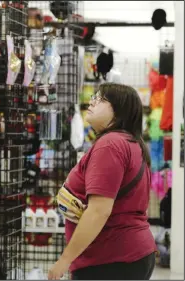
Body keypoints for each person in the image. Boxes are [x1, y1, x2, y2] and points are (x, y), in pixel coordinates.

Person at [48, 83, 157, 280]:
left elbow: (99, 211)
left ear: (118, 111)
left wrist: (64, 260)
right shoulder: (130, 143)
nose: (92, 101)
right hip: (127, 255)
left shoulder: (110, 145)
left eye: (101, 99)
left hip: (110, 258)